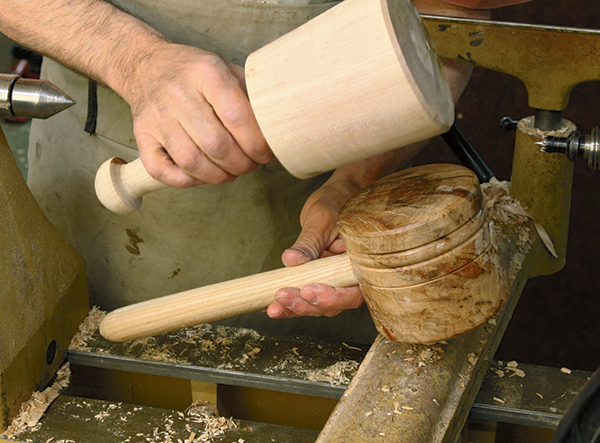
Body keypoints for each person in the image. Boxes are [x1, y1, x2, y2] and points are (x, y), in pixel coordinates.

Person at [0, 0, 529, 344]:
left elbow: (446, 20)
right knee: (85, 355)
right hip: (115, 158)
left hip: (325, 186)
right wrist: (133, 58)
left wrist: (357, 181)